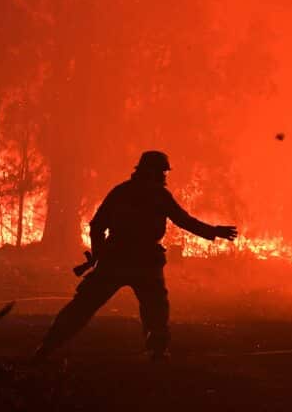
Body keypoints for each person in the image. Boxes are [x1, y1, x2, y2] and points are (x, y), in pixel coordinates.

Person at [35, 151, 237, 360]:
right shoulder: (157, 195)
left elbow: (97, 226)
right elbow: (183, 221)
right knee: (154, 308)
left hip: (118, 260)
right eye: (161, 172)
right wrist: (213, 231)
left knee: (88, 305)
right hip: (140, 261)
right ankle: (157, 351)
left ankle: (48, 347)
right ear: (150, 171)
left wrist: (100, 254)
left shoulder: (122, 192)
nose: (163, 177)